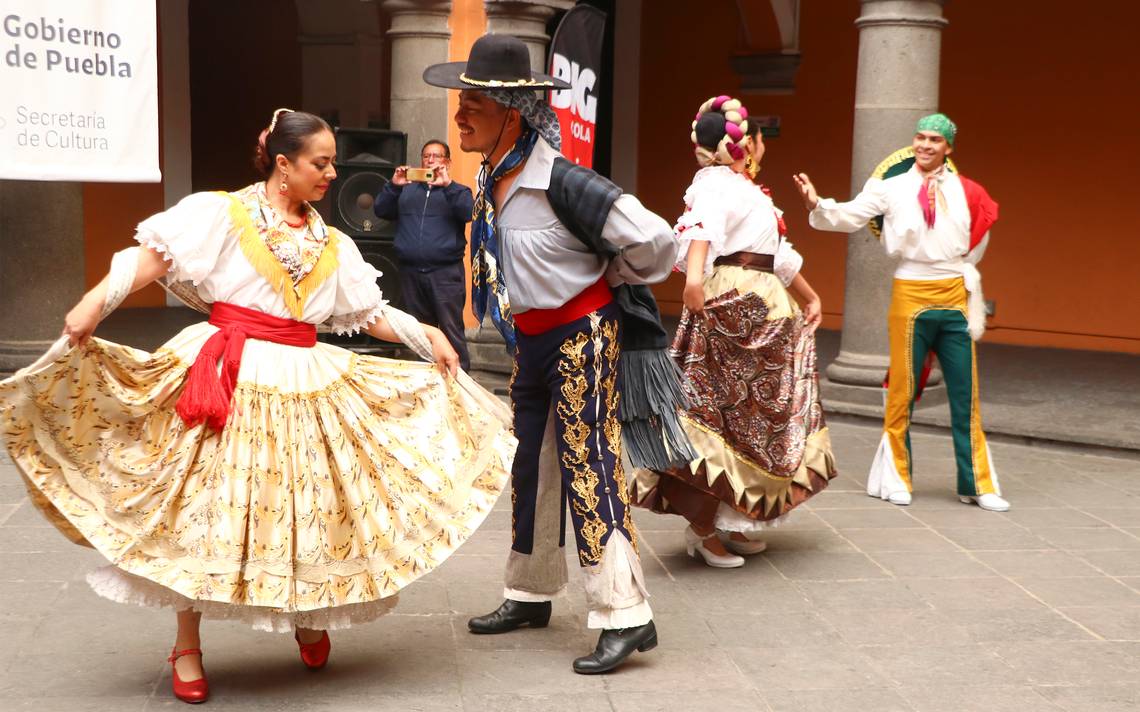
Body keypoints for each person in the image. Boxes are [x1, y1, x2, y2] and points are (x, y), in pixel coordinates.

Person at [0, 109, 516, 704]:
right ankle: (186, 644)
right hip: (227, 370)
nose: (330, 174)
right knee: (200, 507)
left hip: (304, 378)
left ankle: (308, 611)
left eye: (331, 163)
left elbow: (366, 311)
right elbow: (150, 258)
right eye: (320, 163)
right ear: (282, 164)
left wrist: (429, 335)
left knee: (310, 501)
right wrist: (95, 304)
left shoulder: (333, 241)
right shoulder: (223, 212)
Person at [423, 34, 685, 674]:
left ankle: (627, 615)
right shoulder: (494, 174)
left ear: (514, 111)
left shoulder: (567, 181)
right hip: (531, 340)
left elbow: (656, 240)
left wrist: (613, 279)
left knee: (589, 464)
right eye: (462, 102)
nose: (460, 116)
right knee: (531, 464)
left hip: (582, 334)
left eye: (474, 105)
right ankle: (530, 590)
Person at [628, 95, 838, 568]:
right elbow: (700, 232)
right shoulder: (716, 183)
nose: (760, 147)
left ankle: (729, 517)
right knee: (718, 413)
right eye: (757, 140)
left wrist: (809, 296)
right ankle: (703, 527)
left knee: (754, 419)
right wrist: (696, 281)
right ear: (740, 146)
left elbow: (778, 254)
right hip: (736, 303)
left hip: (763, 303)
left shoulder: (748, 190)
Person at [794, 113, 1010, 512]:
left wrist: (960, 273)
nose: (925, 145)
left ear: (948, 147)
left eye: (935, 140)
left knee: (966, 392)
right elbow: (849, 215)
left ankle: (977, 483)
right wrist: (816, 204)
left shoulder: (969, 191)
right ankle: (896, 476)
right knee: (902, 391)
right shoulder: (889, 188)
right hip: (910, 291)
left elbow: (978, 240)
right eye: (920, 137)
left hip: (954, 295)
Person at [374, 139, 474, 370]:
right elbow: (381, 210)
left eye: (436, 156)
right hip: (411, 272)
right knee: (421, 332)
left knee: (451, 330)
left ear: (447, 162)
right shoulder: (407, 190)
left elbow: (468, 212)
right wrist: (394, 185)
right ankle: (429, 384)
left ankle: (462, 388)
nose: (430, 160)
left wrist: (446, 185)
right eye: (426, 156)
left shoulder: (457, 190)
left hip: (445, 274)